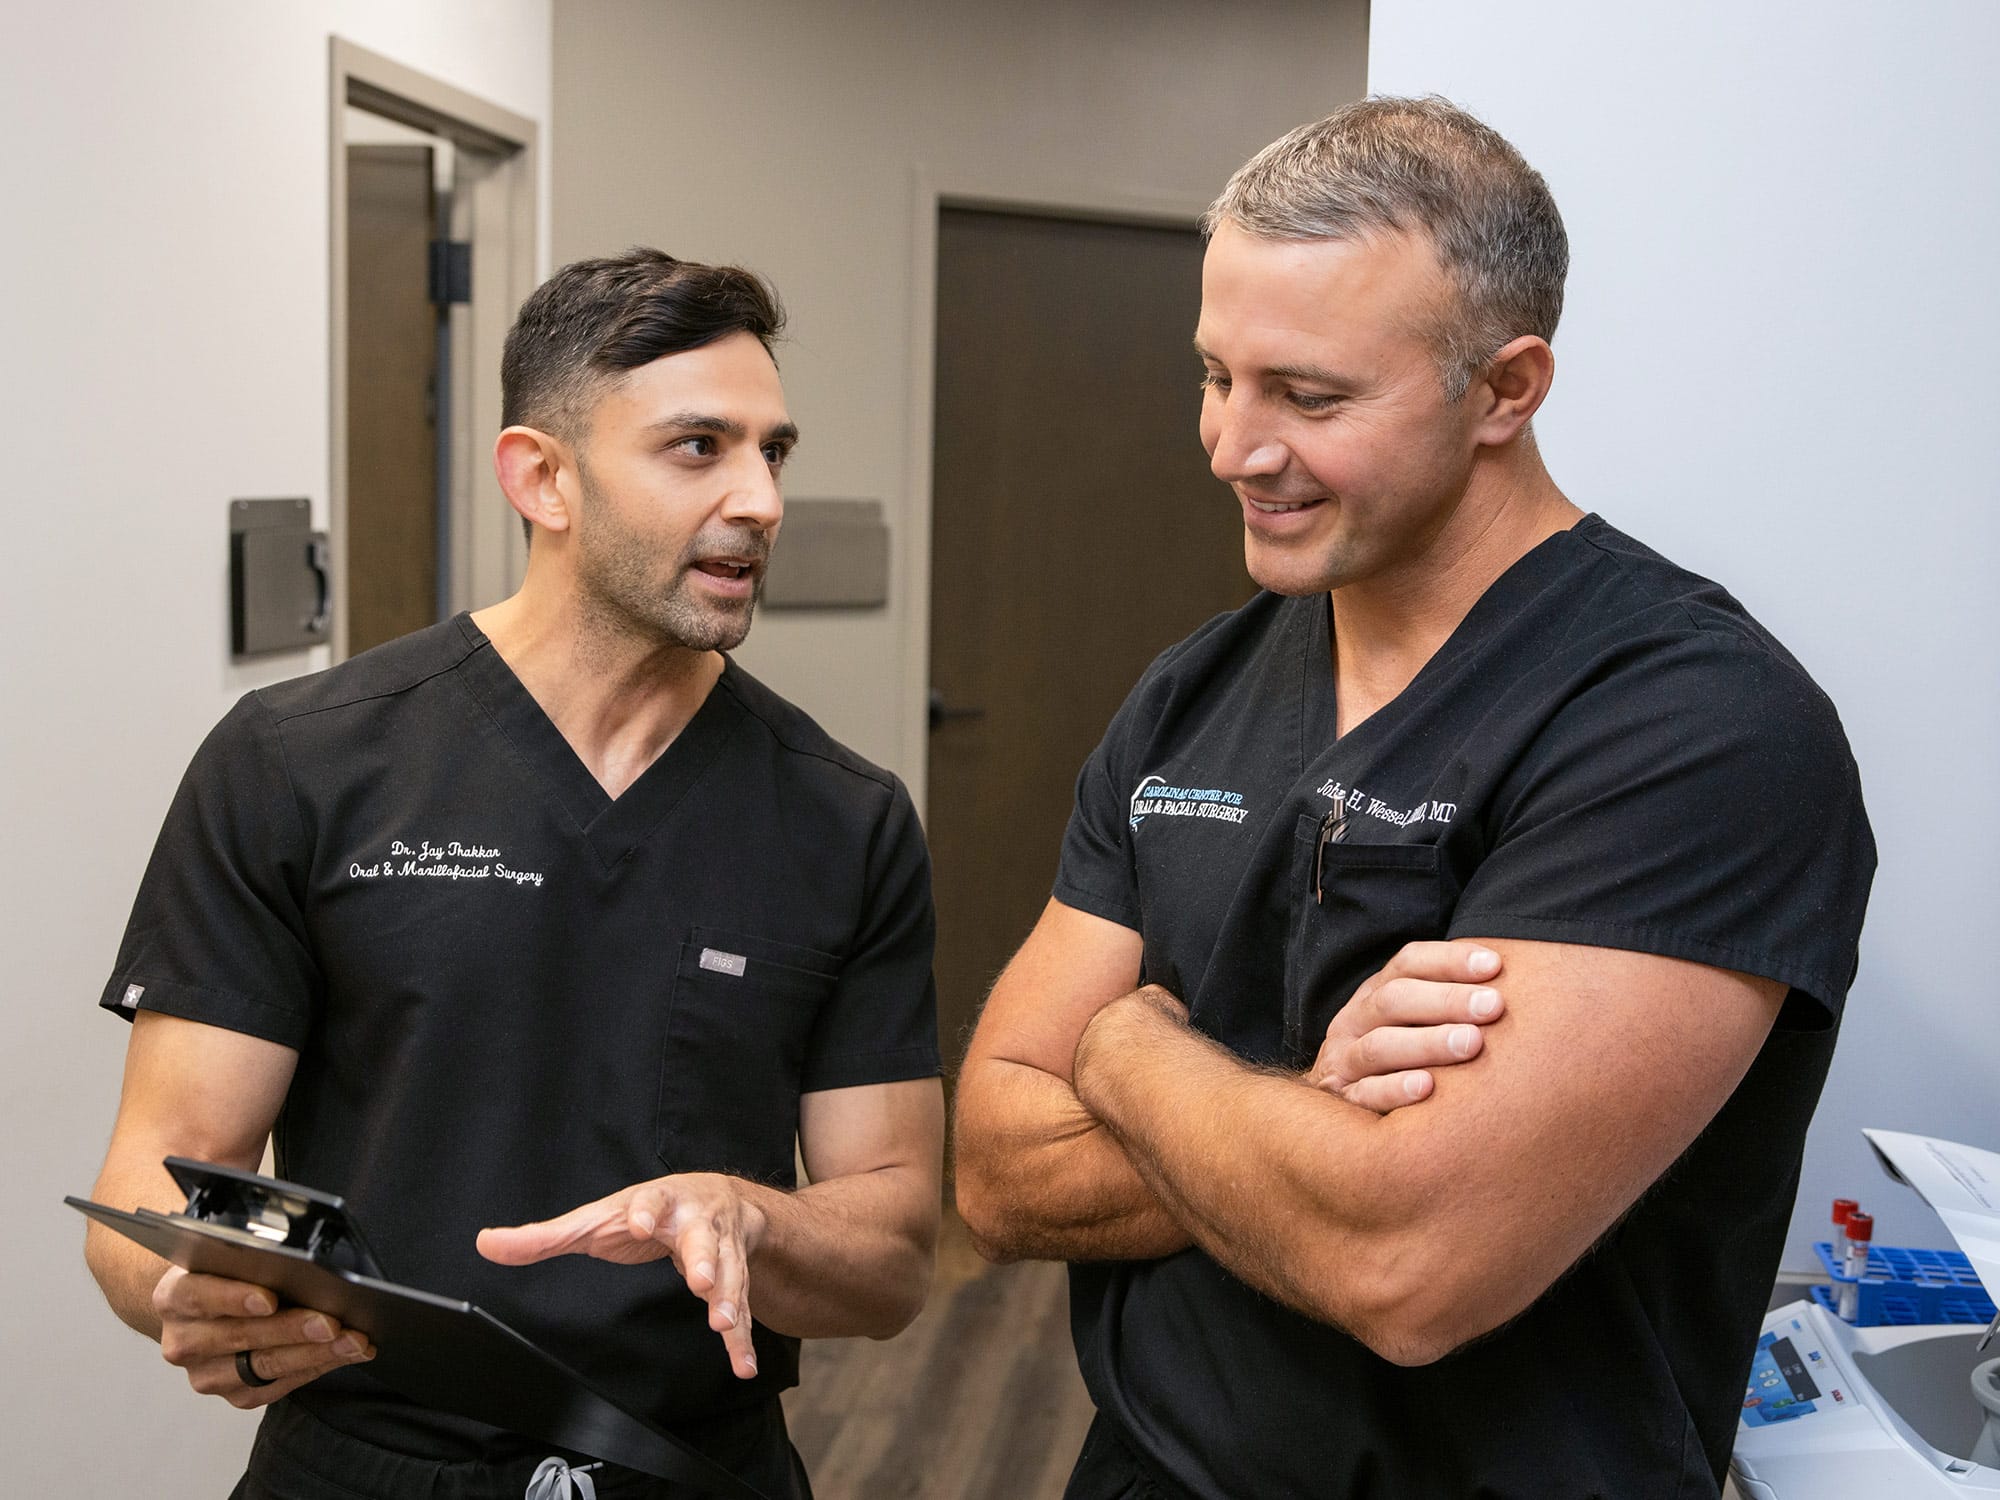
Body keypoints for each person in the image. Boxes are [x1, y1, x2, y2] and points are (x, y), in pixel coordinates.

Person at [954, 96, 1875, 1500]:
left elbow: (1402, 1260)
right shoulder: (1193, 693)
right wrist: (1304, 1112)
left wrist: (1127, 1052)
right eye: (1216, 375)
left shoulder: (1693, 726)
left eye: (1309, 397)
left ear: (1505, 389)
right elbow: (993, 1167)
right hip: (1145, 1470)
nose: (1233, 446)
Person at [85, 250, 947, 1500]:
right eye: (698, 448)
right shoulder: (298, 764)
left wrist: (753, 1217)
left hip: (688, 1466)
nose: (760, 499)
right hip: (365, 1465)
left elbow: (894, 1258)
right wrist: (190, 1290)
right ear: (541, 477)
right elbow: (157, 1176)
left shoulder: (842, 817)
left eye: (774, 452)